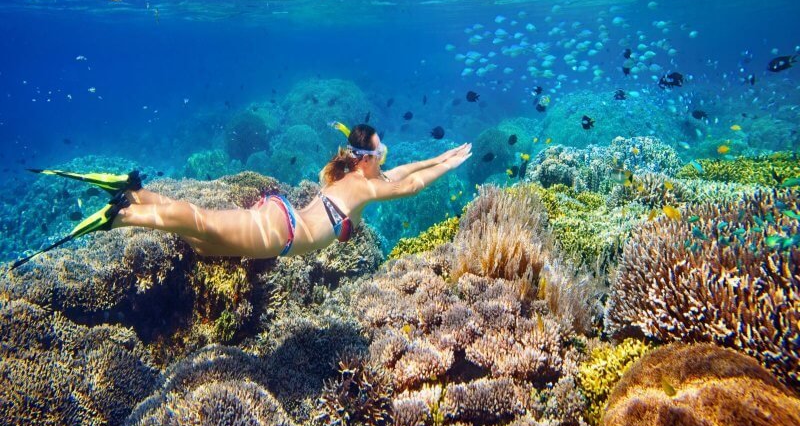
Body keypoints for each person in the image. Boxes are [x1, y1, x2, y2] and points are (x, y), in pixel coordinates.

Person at [9, 125, 471, 269]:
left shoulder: (352, 174)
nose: (387, 159)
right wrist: (447, 167)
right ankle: (123, 215)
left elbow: (402, 173)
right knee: (201, 222)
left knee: (202, 243)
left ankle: (137, 193)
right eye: (382, 153)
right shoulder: (367, 186)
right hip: (280, 233)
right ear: (366, 159)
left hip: (279, 216)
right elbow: (410, 185)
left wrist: (439, 156)